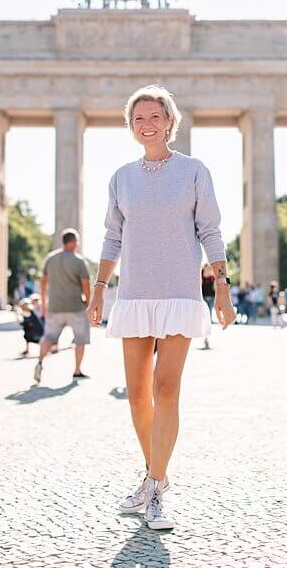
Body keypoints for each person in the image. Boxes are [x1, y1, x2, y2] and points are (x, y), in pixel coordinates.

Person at [86, 84, 234, 533]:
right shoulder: (121, 178)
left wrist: (222, 287)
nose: (147, 124)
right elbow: (113, 236)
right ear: (130, 126)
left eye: (155, 116)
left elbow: (210, 229)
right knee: (137, 396)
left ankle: (153, 488)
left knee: (167, 390)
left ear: (171, 121)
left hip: (179, 293)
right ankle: (158, 473)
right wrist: (99, 288)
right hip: (133, 295)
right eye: (139, 119)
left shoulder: (193, 171)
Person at [34, 229, 93, 384]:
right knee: (80, 339)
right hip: (75, 306)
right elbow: (86, 285)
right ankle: (77, 370)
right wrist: (89, 303)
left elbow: (43, 281)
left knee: (49, 337)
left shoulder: (50, 258)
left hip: (54, 306)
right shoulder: (79, 261)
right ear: (73, 242)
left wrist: (43, 303)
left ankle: (40, 362)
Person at [200, 263, 216, 349]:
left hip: (211, 298)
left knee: (208, 317)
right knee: (202, 317)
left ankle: (206, 338)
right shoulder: (201, 275)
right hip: (203, 298)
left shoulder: (212, 276)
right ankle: (204, 336)